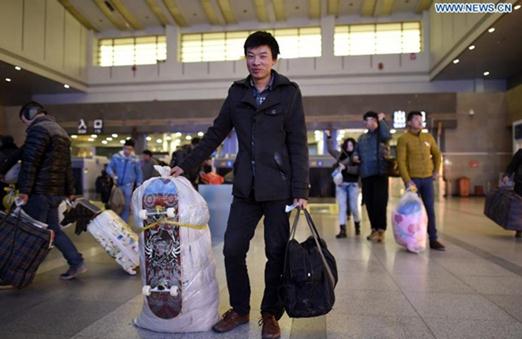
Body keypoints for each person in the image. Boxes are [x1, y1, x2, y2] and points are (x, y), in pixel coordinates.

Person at [171, 31, 309, 339]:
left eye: (262, 56)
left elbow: (298, 142)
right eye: (250, 55)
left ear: (274, 59)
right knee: (232, 249)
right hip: (245, 187)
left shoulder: (289, 92)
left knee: (276, 252)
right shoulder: (237, 93)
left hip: (278, 188)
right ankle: (240, 309)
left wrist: (301, 190)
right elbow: (216, 132)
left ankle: (270, 313)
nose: (256, 62)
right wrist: (188, 163)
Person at [17, 101, 86, 280]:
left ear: (29, 115)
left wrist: (24, 190)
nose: (26, 125)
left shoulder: (38, 130)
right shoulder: (60, 131)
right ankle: (76, 262)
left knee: (31, 232)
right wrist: (70, 190)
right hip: (55, 193)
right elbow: (67, 166)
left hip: (39, 192)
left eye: (25, 121)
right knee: (53, 230)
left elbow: (30, 163)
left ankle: (18, 272)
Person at [397, 111, 445, 251]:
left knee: (430, 209)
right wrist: (407, 181)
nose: (420, 121)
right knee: (412, 212)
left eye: (421, 119)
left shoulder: (428, 137)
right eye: (416, 119)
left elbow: (437, 155)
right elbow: (401, 161)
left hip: (427, 180)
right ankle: (411, 240)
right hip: (413, 181)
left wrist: (436, 171)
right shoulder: (403, 139)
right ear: (409, 122)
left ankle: (433, 239)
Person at [353, 111, 391, 243]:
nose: (368, 123)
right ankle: (374, 228)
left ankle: (381, 230)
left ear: (376, 121)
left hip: (380, 173)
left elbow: (387, 135)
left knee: (380, 203)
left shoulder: (381, 135)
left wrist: (382, 121)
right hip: (366, 174)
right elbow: (356, 151)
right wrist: (355, 156)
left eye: (371, 120)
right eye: (366, 120)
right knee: (369, 203)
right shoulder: (362, 138)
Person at [326, 131, 360, 237]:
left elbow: (359, 170)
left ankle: (357, 224)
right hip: (341, 185)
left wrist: (347, 168)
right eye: (348, 145)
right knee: (342, 207)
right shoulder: (340, 155)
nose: (349, 147)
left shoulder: (358, 156)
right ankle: (342, 230)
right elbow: (331, 150)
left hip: (353, 185)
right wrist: (329, 137)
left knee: (354, 207)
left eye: (351, 145)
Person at [106, 139, 143, 222]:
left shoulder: (135, 160)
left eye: (129, 149)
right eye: (126, 148)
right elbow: (109, 167)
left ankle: (124, 224)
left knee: (126, 206)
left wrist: (138, 185)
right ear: (123, 148)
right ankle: (115, 222)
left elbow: (139, 173)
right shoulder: (116, 157)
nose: (127, 151)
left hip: (128, 186)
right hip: (117, 185)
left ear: (132, 150)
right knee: (115, 203)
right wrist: (112, 175)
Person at [502, 149, 522, 238]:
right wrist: (507, 175)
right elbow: (512, 165)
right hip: (520, 184)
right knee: (519, 208)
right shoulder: (521, 152)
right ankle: (519, 229)